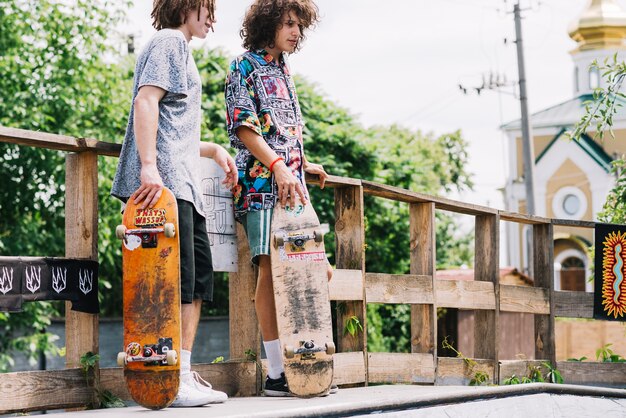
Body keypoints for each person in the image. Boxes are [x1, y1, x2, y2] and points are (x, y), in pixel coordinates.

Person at [111, 0, 237, 407]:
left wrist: (215, 149)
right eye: (207, 9)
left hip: (184, 184)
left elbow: (174, 127)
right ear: (186, 7)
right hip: (165, 187)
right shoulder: (169, 41)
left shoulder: (179, 48)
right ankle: (170, 378)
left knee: (197, 282)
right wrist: (149, 167)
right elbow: (146, 101)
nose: (212, 19)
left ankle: (179, 374)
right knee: (175, 283)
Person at [225, 0, 335, 397]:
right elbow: (243, 127)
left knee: (318, 270)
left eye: (299, 26)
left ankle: (310, 364)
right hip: (261, 186)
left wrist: (302, 165)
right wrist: (278, 166)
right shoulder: (244, 66)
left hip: (293, 188)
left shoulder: (283, 70)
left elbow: (281, 133)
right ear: (267, 24)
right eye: (288, 24)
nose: (295, 32)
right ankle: (277, 374)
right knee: (271, 274)